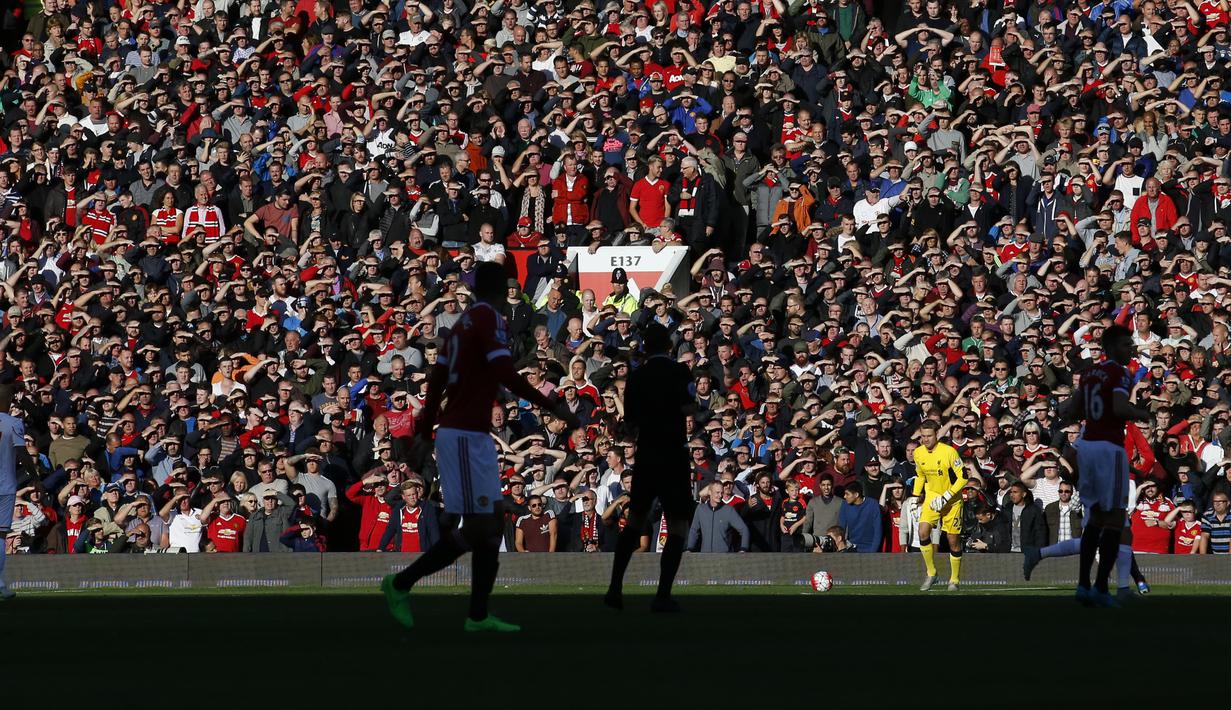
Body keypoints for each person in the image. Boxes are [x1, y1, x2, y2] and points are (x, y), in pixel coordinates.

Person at [381, 261, 579, 633]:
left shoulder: (461, 325)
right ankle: (401, 583)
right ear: (500, 291)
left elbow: (439, 374)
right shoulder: (489, 319)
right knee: (482, 527)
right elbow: (505, 373)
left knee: (487, 530)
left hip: (469, 434)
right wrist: (554, 406)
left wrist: (424, 430)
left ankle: (476, 615)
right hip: (464, 436)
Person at [1031, 325, 1152, 606]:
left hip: (1088, 448)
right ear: (1111, 348)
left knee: (1096, 519)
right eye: (1125, 345)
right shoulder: (1120, 372)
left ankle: (1084, 586)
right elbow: (1122, 408)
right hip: (1109, 449)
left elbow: (1073, 409)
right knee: (1114, 521)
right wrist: (1140, 413)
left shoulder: (1088, 375)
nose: (1130, 350)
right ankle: (1100, 589)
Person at [606, 321, 695, 612]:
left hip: (647, 455)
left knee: (634, 521)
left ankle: (615, 588)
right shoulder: (680, 372)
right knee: (678, 524)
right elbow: (689, 407)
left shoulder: (637, 377)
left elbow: (630, 423)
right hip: (673, 455)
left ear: (646, 347)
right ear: (669, 347)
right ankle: (662, 595)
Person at [911, 420, 967, 591]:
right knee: (922, 531)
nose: (926, 439)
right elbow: (920, 475)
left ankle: (954, 579)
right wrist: (914, 497)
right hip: (932, 497)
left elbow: (963, 477)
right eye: (923, 436)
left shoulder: (949, 452)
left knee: (953, 540)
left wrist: (948, 495)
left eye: (929, 436)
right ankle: (931, 573)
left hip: (952, 499)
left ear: (937, 435)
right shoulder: (918, 453)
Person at [0, 389, 24, 600]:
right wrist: (36, 477)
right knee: (0, 535)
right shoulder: (14, 423)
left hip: (6, 485)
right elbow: (23, 454)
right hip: (5, 486)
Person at [685, 481, 750, 553]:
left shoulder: (729, 510)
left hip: (725, 558)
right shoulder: (701, 509)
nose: (720, 495)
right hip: (705, 557)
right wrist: (689, 549)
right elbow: (694, 530)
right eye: (717, 492)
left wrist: (743, 549)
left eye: (722, 493)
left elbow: (744, 529)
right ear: (710, 492)